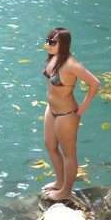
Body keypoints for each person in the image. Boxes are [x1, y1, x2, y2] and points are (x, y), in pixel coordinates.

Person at [40, 27, 100, 201]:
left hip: (66, 114)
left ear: (63, 44)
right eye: (47, 41)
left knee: (69, 154)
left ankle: (66, 191)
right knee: (50, 146)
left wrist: (83, 108)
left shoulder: (72, 64)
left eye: (52, 42)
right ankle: (59, 182)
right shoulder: (53, 58)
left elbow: (95, 83)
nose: (48, 45)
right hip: (51, 110)